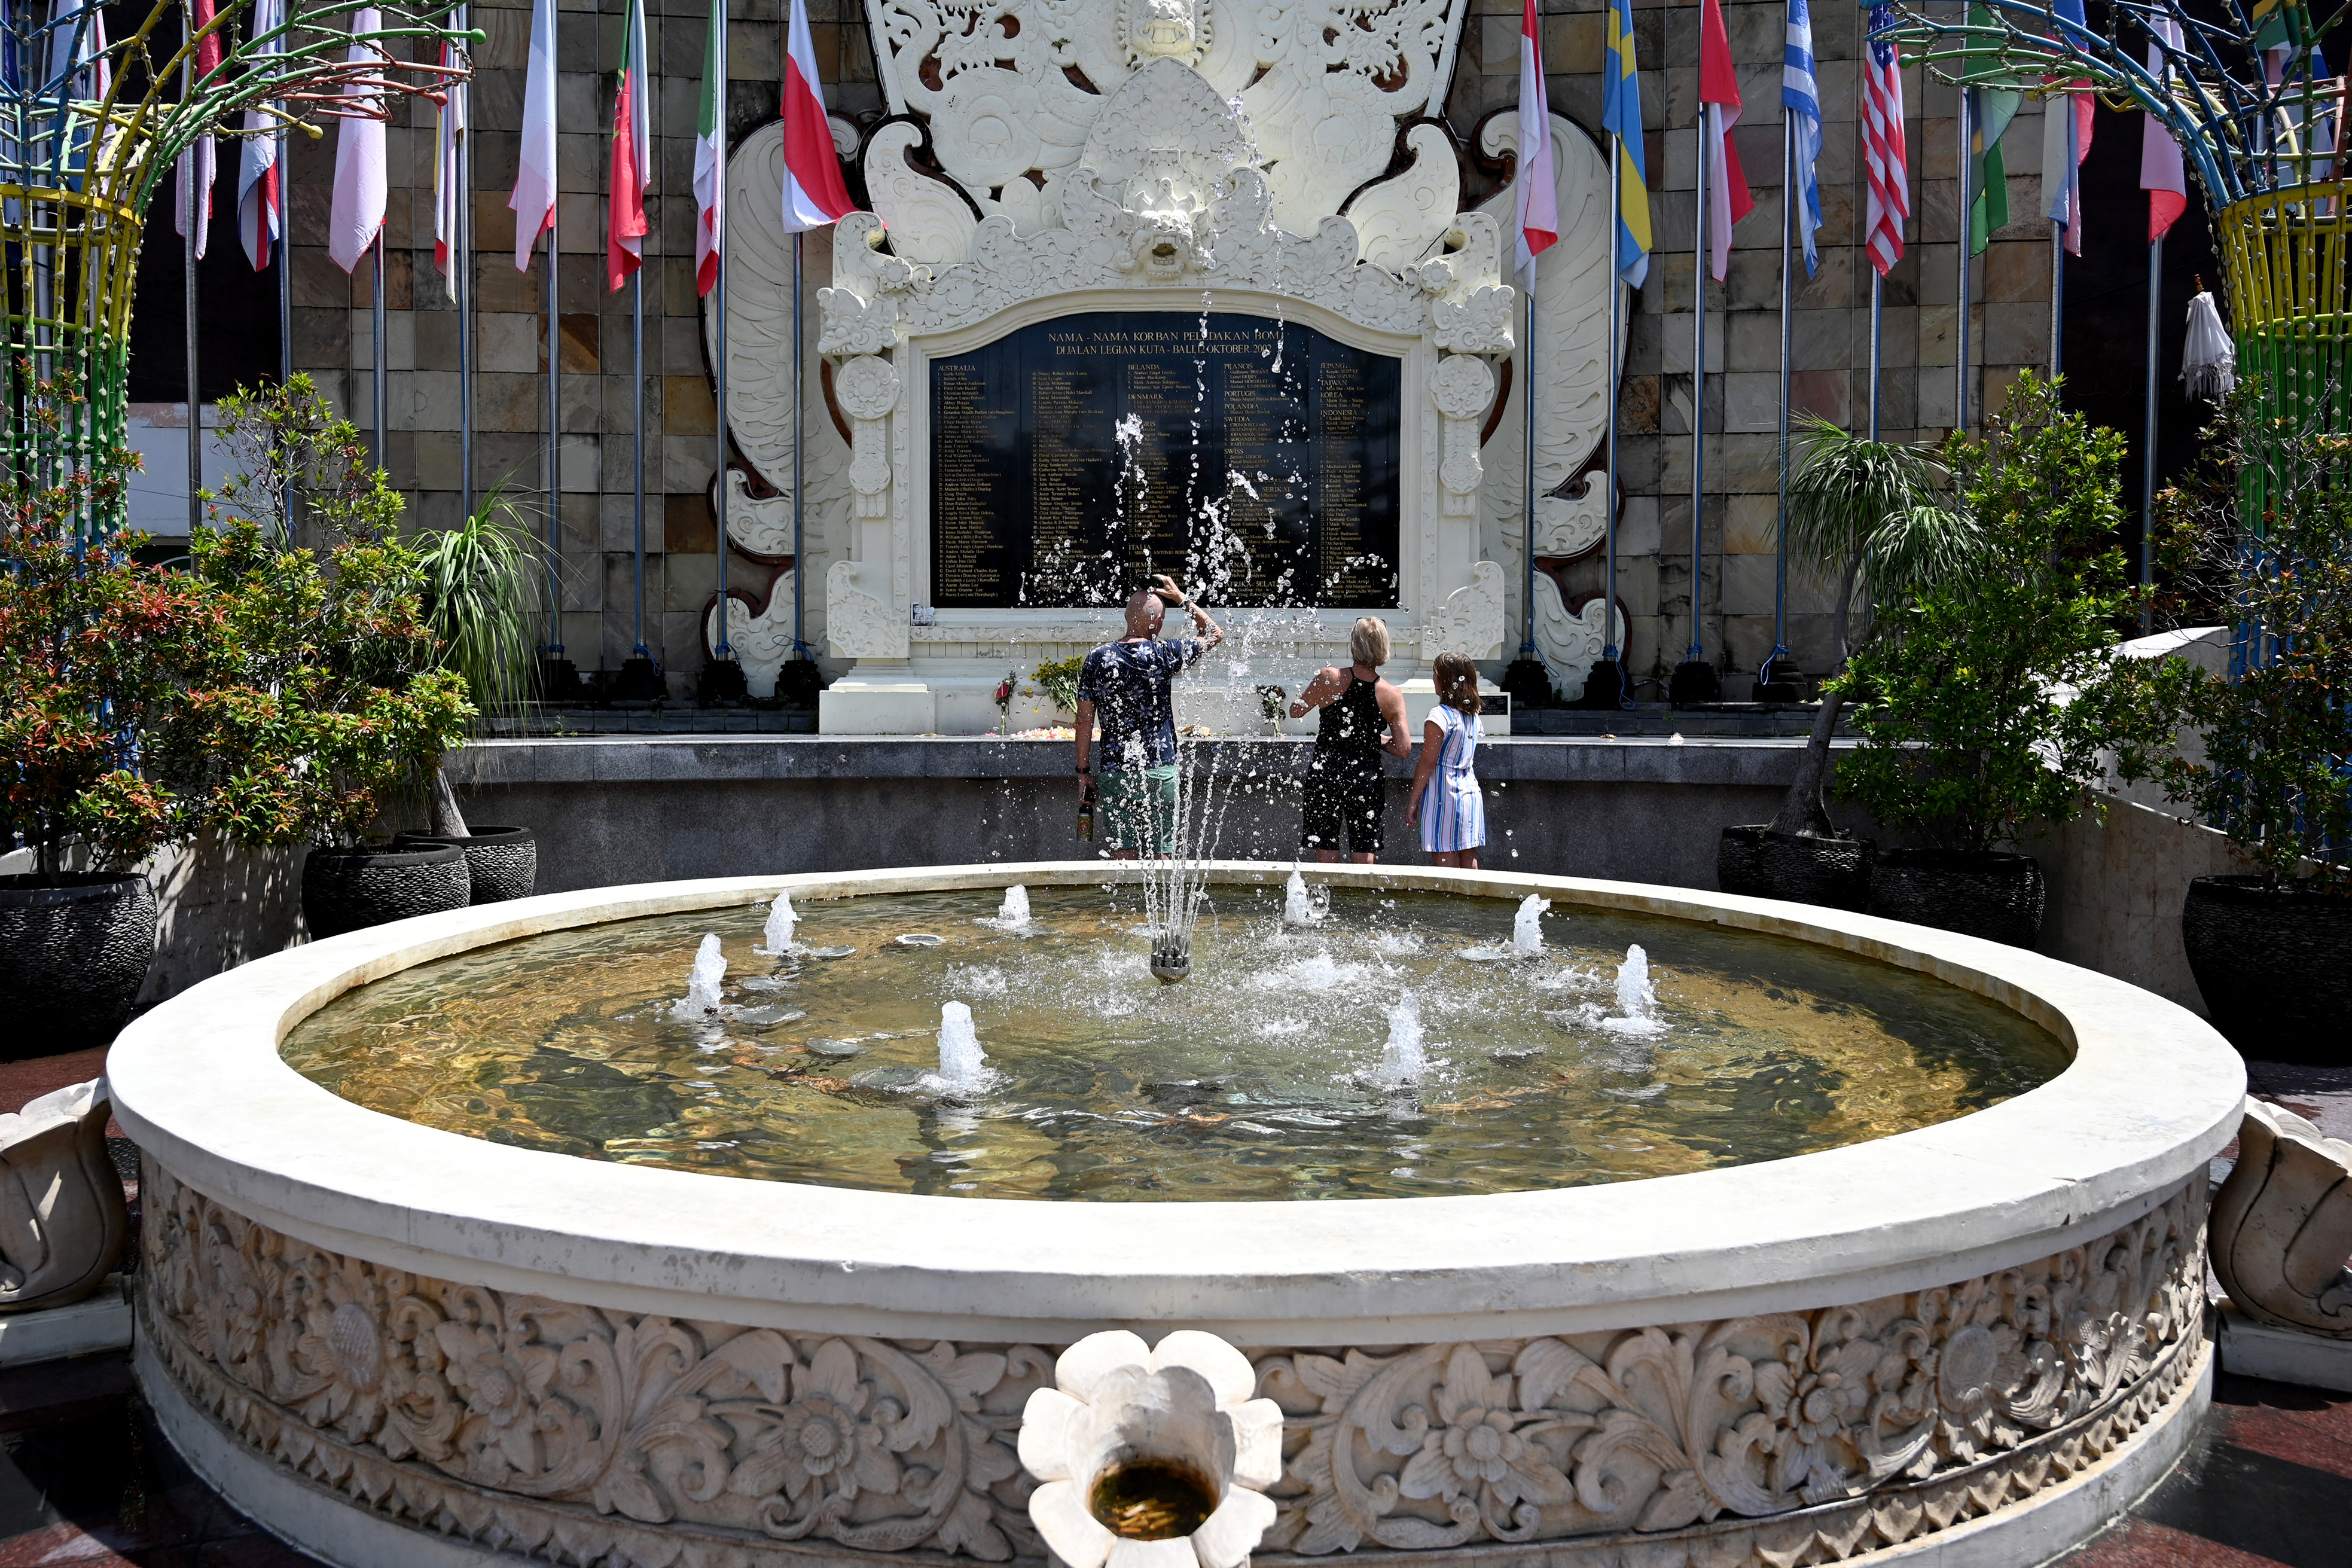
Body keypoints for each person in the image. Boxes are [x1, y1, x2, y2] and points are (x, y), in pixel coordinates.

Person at [1074, 574, 1223, 859]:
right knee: (1162, 856)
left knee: (1123, 855)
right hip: (1160, 769)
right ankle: (1164, 903)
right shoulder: (1164, 653)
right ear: (1156, 622)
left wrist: (1083, 773)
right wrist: (1181, 598)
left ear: (1127, 617)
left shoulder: (1097, 658)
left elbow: (1084, 721)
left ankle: (1127, 903)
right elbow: (1215, 633)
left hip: (1115, 770)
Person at [1289, 617, 1411, 863]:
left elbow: (1296, 711)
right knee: (1365, 848)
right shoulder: (1391, 694)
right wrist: (1373, 738)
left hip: (1326, 773)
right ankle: (1362, 901)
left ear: (1354, 647)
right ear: (1384, 649)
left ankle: (1323, 901)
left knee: (1324, 844)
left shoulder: (1329, 677)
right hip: (1366, 777)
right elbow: (1403, 749)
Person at [1405, 651, 1487, 870]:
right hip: (1470, 793)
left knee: (1446, 863)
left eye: (1435, 673)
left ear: (1444, 680)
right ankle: (1472, 902)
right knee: (1469, 858)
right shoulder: (1472, 716)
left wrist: (1414, 799)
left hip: (1444, 795)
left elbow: (1428, 761)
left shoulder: (1439, 716)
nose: (1433, 678)